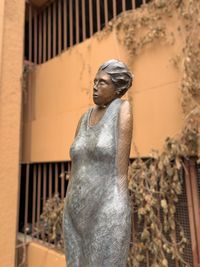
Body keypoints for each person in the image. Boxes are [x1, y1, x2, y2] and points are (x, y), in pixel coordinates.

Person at [63, 59, 133, 267]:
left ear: (118, 88)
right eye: (95, 81)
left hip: (105, 212)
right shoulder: (84, 118)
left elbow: (121, 174)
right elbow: (75, 168)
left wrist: (119, 217)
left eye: (102, 82)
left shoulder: (122, 110)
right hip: (73, 214)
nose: (95, 86)